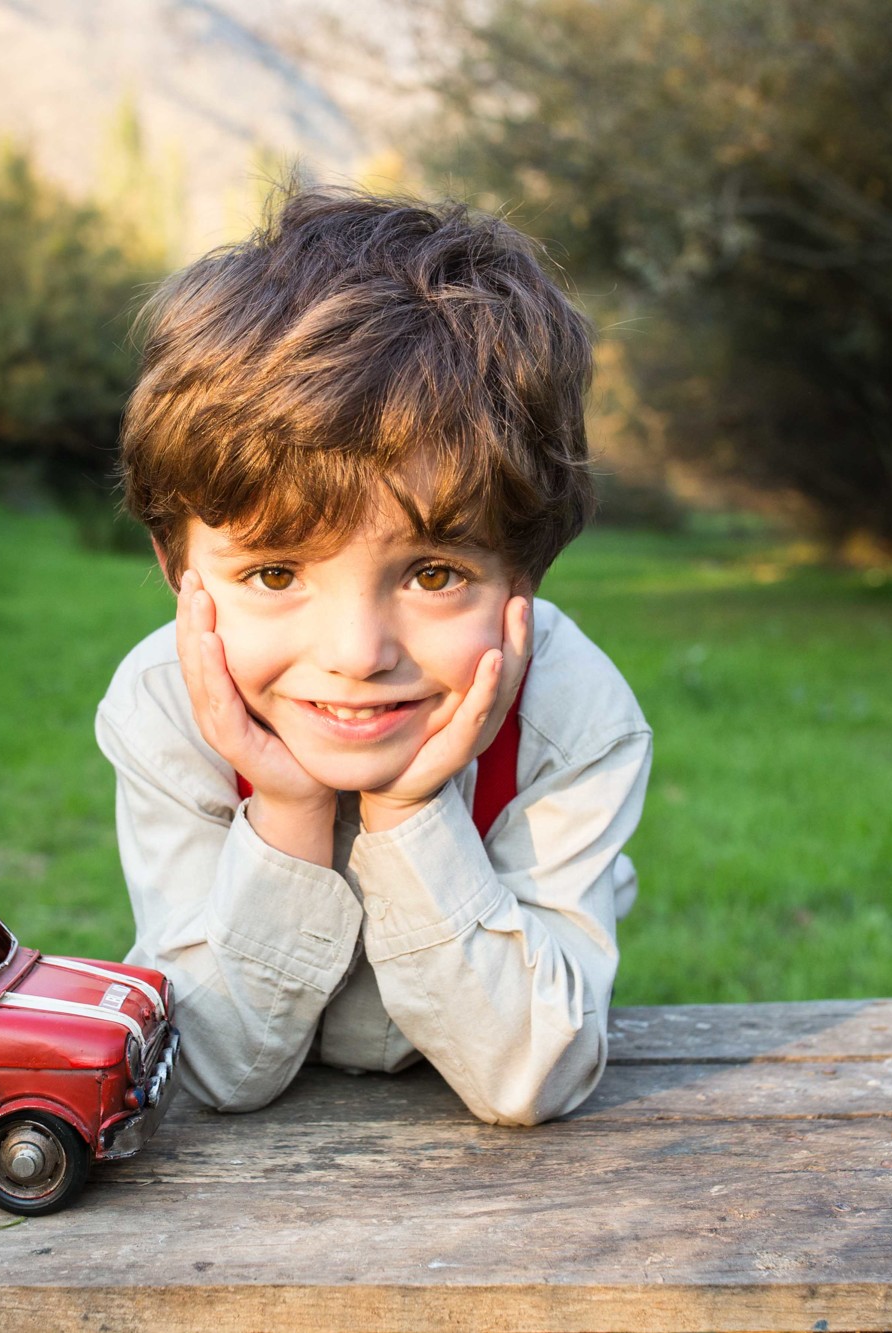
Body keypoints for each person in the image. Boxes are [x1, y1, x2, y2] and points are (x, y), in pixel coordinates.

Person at [96, 186, 652, 1126]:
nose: (357, 654)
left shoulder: (571, 717)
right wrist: (286, 808)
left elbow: (532, 1075)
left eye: (434, 573)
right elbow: (213, 1067)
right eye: (275, 574)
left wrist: (408, 813)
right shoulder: (166, 709)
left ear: (528, 571)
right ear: (178, 566)